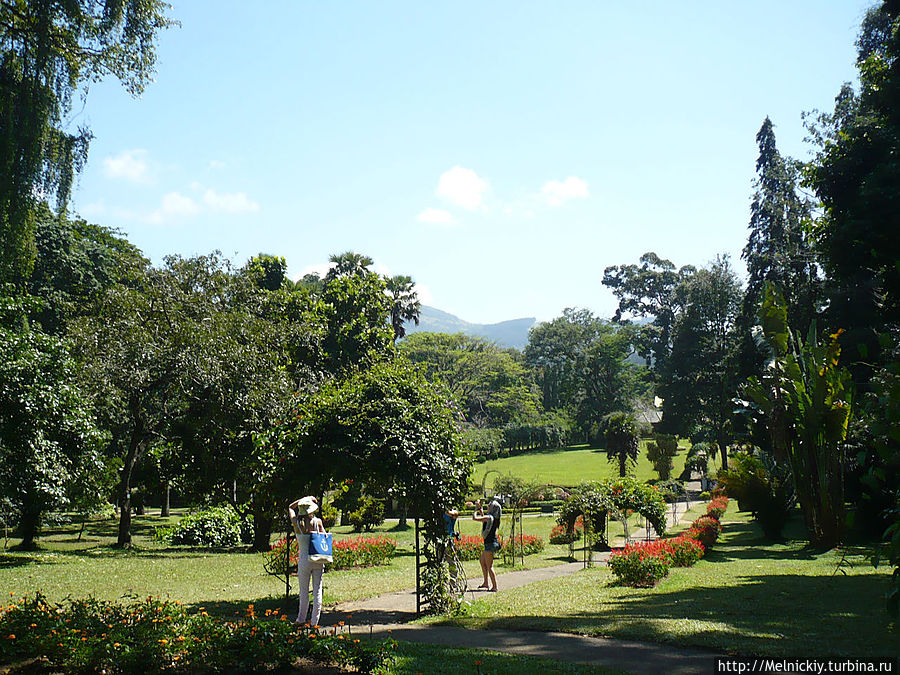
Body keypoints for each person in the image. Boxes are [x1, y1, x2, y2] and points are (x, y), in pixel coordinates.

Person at [287, 496, 326, 626]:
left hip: (304, 560)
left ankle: (300, 619)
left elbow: (290, 507)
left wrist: (302, 500)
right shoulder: (317, 522)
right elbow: (323, 538)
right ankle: (314, 622)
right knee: (317, 590)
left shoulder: (296, 523)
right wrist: (308, 499)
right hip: (317, 558)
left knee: (303, 591)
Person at [472, 498, 502, 591]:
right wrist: (480, 510)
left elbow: (475, 518)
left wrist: (475, 510)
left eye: (489, 506)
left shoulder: (489, 517)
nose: (487, 506)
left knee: (489, 566)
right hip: (490, 542)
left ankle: (495, 586)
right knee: (482, 561)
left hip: (490, 543)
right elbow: (484, 518)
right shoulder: (492, 518)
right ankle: (486, 583)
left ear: (492, 509)